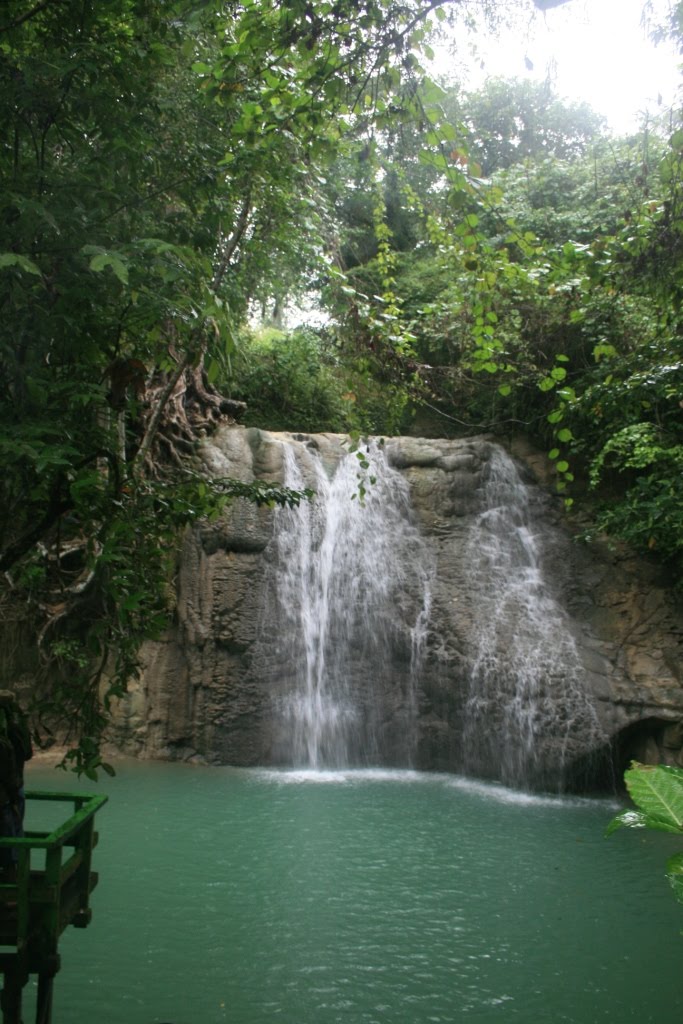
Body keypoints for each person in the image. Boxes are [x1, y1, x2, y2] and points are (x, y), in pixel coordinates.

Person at [0, 691, 33, 876]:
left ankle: (13, 876)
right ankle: (15, 878)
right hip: (14, 788)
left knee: (10, 831)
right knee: (14, 831)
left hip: (9, 790)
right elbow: (27, 754)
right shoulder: (16, 726)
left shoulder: (8, 732)